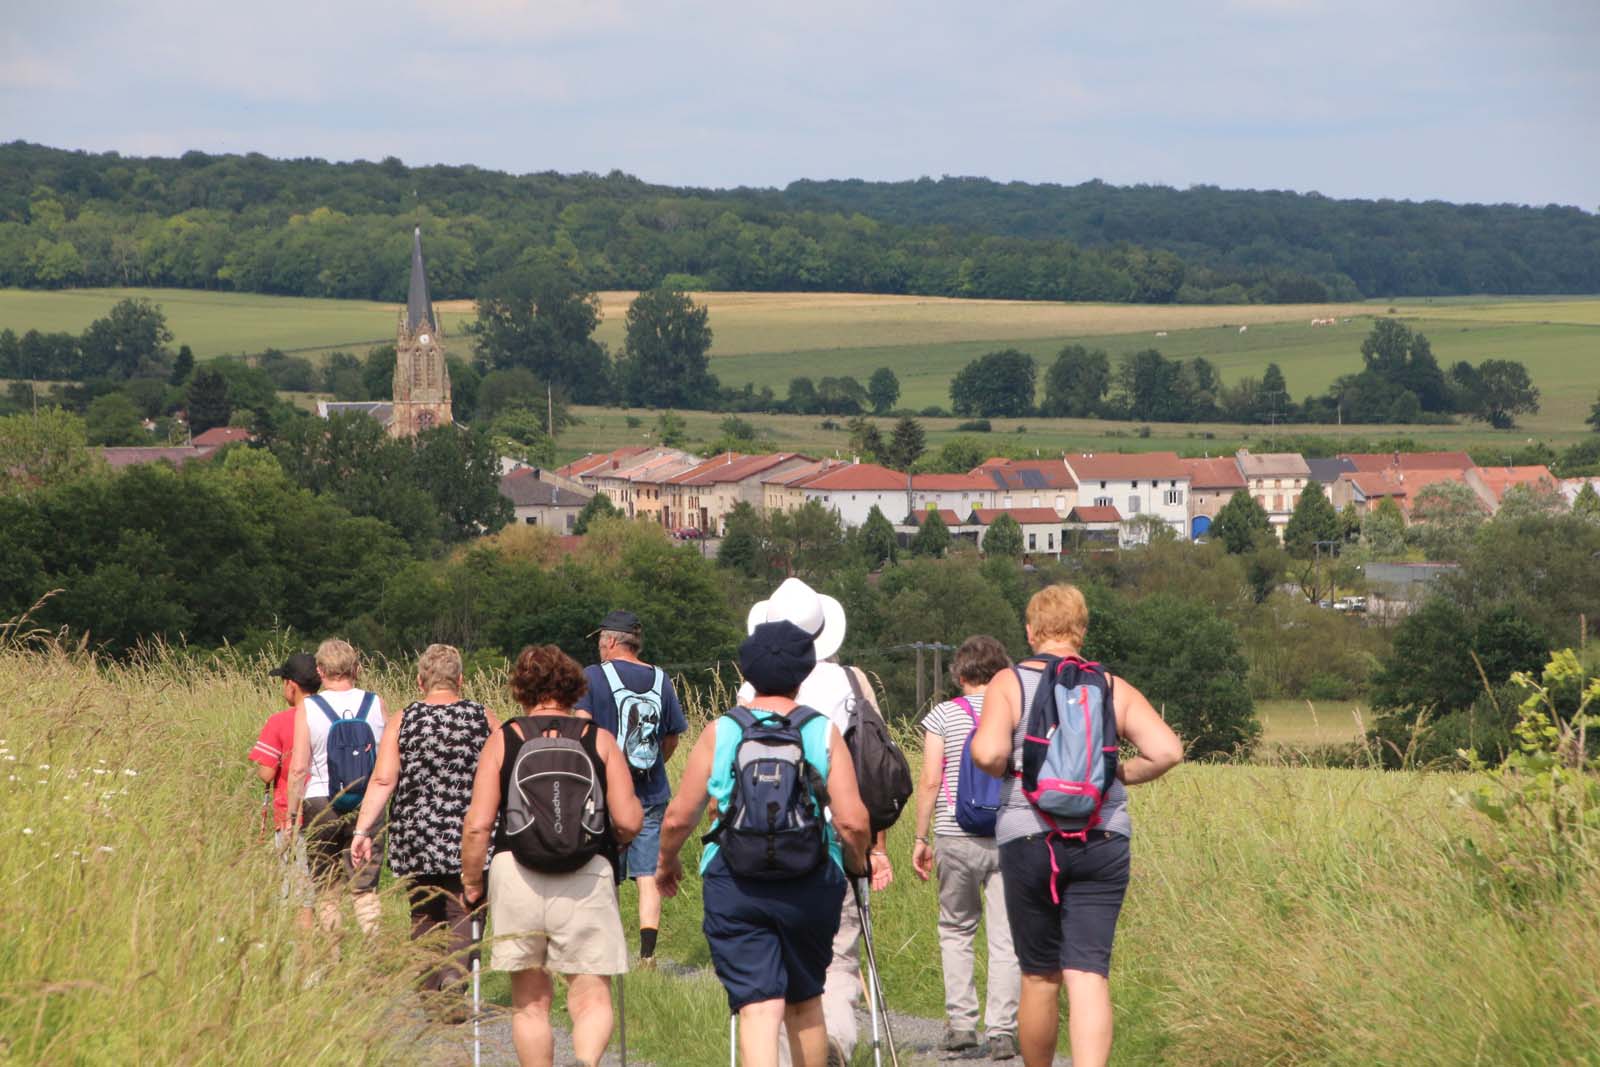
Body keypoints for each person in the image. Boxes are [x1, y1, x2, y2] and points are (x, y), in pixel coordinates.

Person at [970, 585, 1183, 1067]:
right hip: (1102, 836)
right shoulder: (1111, 686)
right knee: (1088, 973)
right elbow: (1168, 750)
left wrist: (1008, 769)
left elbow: (988, 751)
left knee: (1039, 975)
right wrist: (1116, 773)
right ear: (1081, 631)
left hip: (1030, 836)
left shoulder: (1009, 682)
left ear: (1031, 631)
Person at [658, 621, 871, 1067]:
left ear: (747, 672)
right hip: (810, 881)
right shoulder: (821, 730)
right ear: (804, 672)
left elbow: (678, 817)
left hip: (735, 882)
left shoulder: (722, 730)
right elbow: (852, 822)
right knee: (805, 1000)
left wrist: (666, 861)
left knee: (758, 1007)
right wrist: (855, 864)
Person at [461, 645, 643, 1067]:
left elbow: (477, 825)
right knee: (591, 997)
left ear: (521, 689)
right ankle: (586, 1062)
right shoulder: (598, 739)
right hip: (587, 872)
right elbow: (629, 820)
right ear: (574, 688)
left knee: (530, 1003)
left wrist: (472, 882)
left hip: (517, 872)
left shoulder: (504, 739)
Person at [738, 578, 893, 1066]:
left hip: (760, 843)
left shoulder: (749, 690)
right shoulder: (852, 682)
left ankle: (784, 1058)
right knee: (837, 958)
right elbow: (874, 770)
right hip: (831, 841)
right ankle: (834, 1044)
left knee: (773, 963)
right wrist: (874, 847)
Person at [350, 644, 498, 1010]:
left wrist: (362, 830)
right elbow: (504, 770)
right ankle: (454, 978)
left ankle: (430, 993)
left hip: (415, 832)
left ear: (420, 681)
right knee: (465, 906)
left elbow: (383, 780)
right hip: (469, 830)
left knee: (423, 910)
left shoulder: (404, 719)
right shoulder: (483, 717)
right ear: (460, 680)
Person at [911, 635, 1020, 1060]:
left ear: (960, 676)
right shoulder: (1013, 713)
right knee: (1005, 936)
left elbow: (930, 780)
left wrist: (921, 837)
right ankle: (1002, 1031)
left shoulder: (943, 715)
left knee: (956, 929)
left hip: (954, 835)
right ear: (1002, 673)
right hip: (1006, 835)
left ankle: (961, 1025)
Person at [574, 609, 688, 969]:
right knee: (648, 873)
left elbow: (581, 730)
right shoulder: (661, 679)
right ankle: (648, 955)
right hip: (651, 791)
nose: (599, 647)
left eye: (600, 641)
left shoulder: (593, 676)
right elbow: (671, 738)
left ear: (610, 641)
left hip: (605, 793)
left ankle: (606, 949)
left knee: (604, 870)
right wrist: (653, 766)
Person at [287, 637, 387, 935]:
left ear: (320, 671)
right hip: (367, 803)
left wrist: (292, 815)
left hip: (321, 802)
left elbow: (299, 768)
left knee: (327, 890)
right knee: (365, 888)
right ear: (356, 669)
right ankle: (374, 950)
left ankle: (332, 955)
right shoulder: (375, 703)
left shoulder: (310, 707)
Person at [248, 652, 319, 930]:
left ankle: (303, 954)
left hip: (292, 816)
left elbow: (266, 773)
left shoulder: (279, 721)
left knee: (299, 896)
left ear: (291, 685)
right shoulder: (328, 713)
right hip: (329, 811)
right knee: (325, 891)